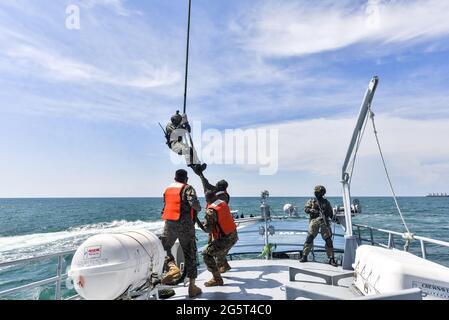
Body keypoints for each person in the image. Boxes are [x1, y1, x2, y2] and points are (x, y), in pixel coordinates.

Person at [160, 169, 203, 298]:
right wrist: (199, 208)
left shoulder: (167, 189)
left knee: (164, 248)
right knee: (190, 255)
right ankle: (192, 287)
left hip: (170, 225)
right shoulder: (188, 188)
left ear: (175, 178)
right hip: (185, 226)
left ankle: (172, 267)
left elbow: (166, 206)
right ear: (186, 179)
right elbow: (194, 204)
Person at [201, 191, 239, 286]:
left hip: (226, 239)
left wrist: (199, 223)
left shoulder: (211, 210)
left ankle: (217, 279)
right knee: (218, 250)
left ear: (207, 200)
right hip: (233, 236)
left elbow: (207, 230)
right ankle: (224, 265)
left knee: (206, 254)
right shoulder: (223, 202)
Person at [300, 185, 338, 267]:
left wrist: (335, 219)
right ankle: (304, 256)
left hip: (324, 222)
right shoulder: (312, 201)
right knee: (309, 238)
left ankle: (331, 259)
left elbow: (331, 214)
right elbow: (306, 209)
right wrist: (311, 210)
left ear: (322, 193)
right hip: (314, 221)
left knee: (328, 240)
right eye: (315, 192)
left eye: (317, 192)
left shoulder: (326, 202)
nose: (315, 193)